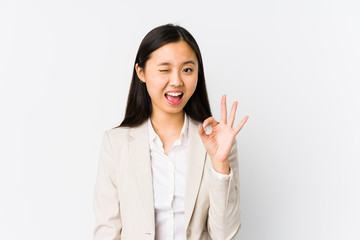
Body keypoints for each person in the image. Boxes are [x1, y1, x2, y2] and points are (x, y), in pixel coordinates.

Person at [93, 23, 249, 240]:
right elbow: (107, 231)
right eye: (164, 69)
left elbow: (225, 234)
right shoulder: (116, 143)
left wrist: (220, 165)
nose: (176, 81)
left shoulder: (217, 143)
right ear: (141, 72)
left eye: (187, 70)